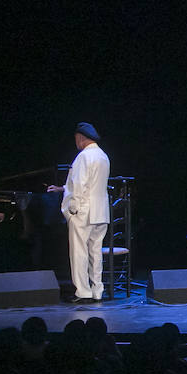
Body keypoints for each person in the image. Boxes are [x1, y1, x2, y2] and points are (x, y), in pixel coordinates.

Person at [50, 122, 110, 302]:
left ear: (80, 138)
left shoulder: (84, 156)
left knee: (79, 252)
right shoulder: (103, 156)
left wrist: (72, 209)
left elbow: (79, 184)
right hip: (100, 211)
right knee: (96, 252)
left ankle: (83, 292)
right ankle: (97, 289)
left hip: (83, 211)